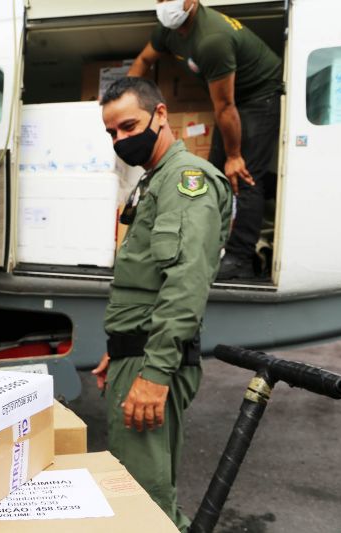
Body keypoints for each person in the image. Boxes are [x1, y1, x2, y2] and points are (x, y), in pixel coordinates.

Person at [91, 77, 232, 531]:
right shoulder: (154, 181)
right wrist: (120, 348)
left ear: (161, 114)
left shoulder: (187, 181)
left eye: (129, 126)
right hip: (137, 354)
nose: (121, 139)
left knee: (142, 504)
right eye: (112, 132)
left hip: (152, 362)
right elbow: (146, 283)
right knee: (141, 491)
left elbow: (186, 284)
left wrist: (153, 373)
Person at [128, 0, 282, 279]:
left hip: (259, 95)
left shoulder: (213, 39)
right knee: (213, 174)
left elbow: (225, 107)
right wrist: (124, 103)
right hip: (230, 101)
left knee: (244, 176)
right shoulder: (167, 29)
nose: (164, 5)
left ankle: (240, 260)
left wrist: (234, 156)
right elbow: (143, 61)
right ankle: (211, 248)